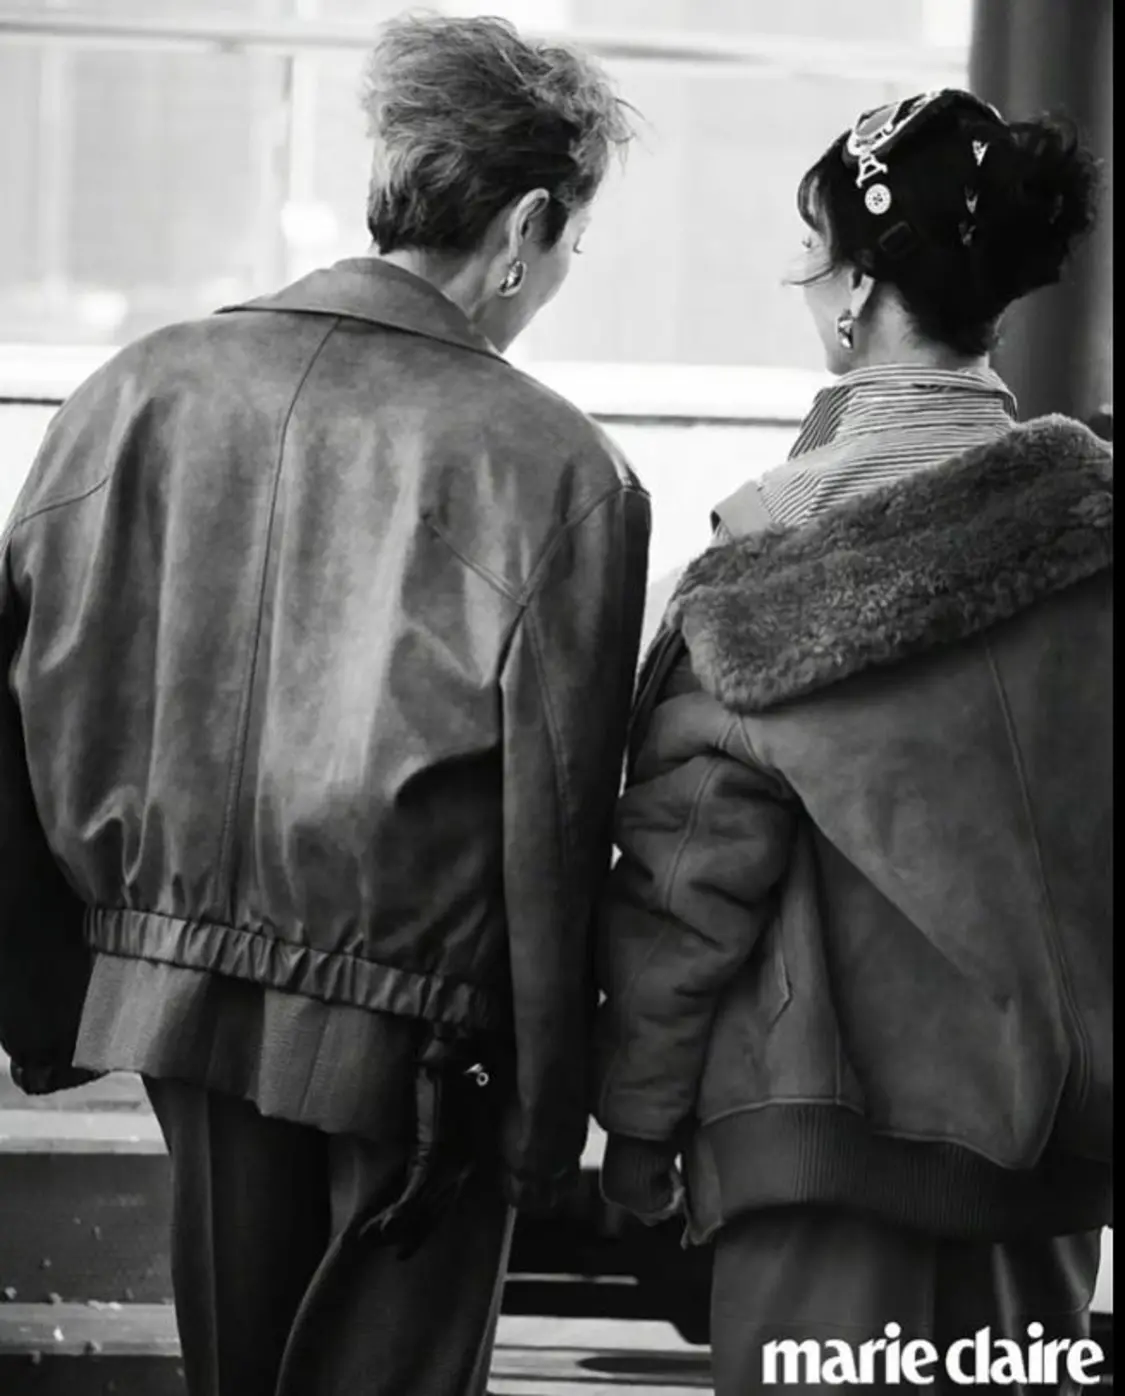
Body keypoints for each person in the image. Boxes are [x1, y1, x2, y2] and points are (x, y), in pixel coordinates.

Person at [0, 15, 649, 1396]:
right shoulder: (554, 470)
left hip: (165, 999)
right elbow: (553, 826)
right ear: (528, 224)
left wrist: (49, 993)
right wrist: (549, 1116)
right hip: (422, 1051)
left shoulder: (127, 395)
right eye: (574, 245)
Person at [593, 89, 1111, 1393]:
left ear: (859, 288)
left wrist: (637, 1126)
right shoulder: (1094, 534)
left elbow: (689, 880)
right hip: (1048, 1181)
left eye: (810, 247)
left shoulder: (764, 560)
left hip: (815, 1171)